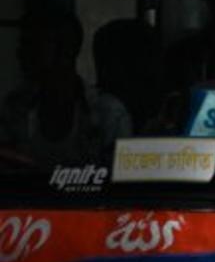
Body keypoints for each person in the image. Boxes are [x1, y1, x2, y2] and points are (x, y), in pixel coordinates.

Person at [0, 10, 131, 171]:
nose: (20, 53)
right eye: (22, 44)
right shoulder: (15, 107)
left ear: (65, 50)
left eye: (32, 45)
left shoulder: (109, 113)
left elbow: (120, 186)